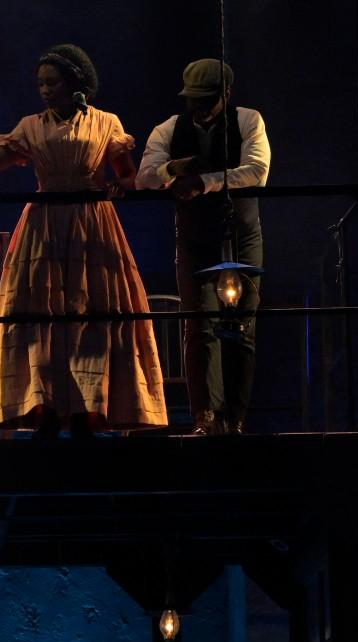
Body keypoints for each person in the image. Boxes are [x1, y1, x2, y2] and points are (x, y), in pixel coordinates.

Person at [0, 43, 167, 435]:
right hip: (44, 225)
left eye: (52, 82)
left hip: (92, 223)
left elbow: (126, 174)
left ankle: (89, 408)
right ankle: (46, 406)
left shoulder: (106, 122)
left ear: (74, 82)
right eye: (40, 83)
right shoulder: (30, 125)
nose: (44, 90)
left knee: (92, 312)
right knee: (42, 314)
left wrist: (133, 184)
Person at [136, 59, 271, 435]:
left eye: (206, 98)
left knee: (242, 327)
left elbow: (257, 171)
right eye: (193, 98)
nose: (198, 106)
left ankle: (236, 418)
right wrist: (173, 170)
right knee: (199, 326)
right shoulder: (169, 128)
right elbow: (144, 176)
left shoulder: (248, 120)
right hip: (195, 238)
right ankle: (205, 417)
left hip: (241, 236)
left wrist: (203, 182)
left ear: (226, 94)